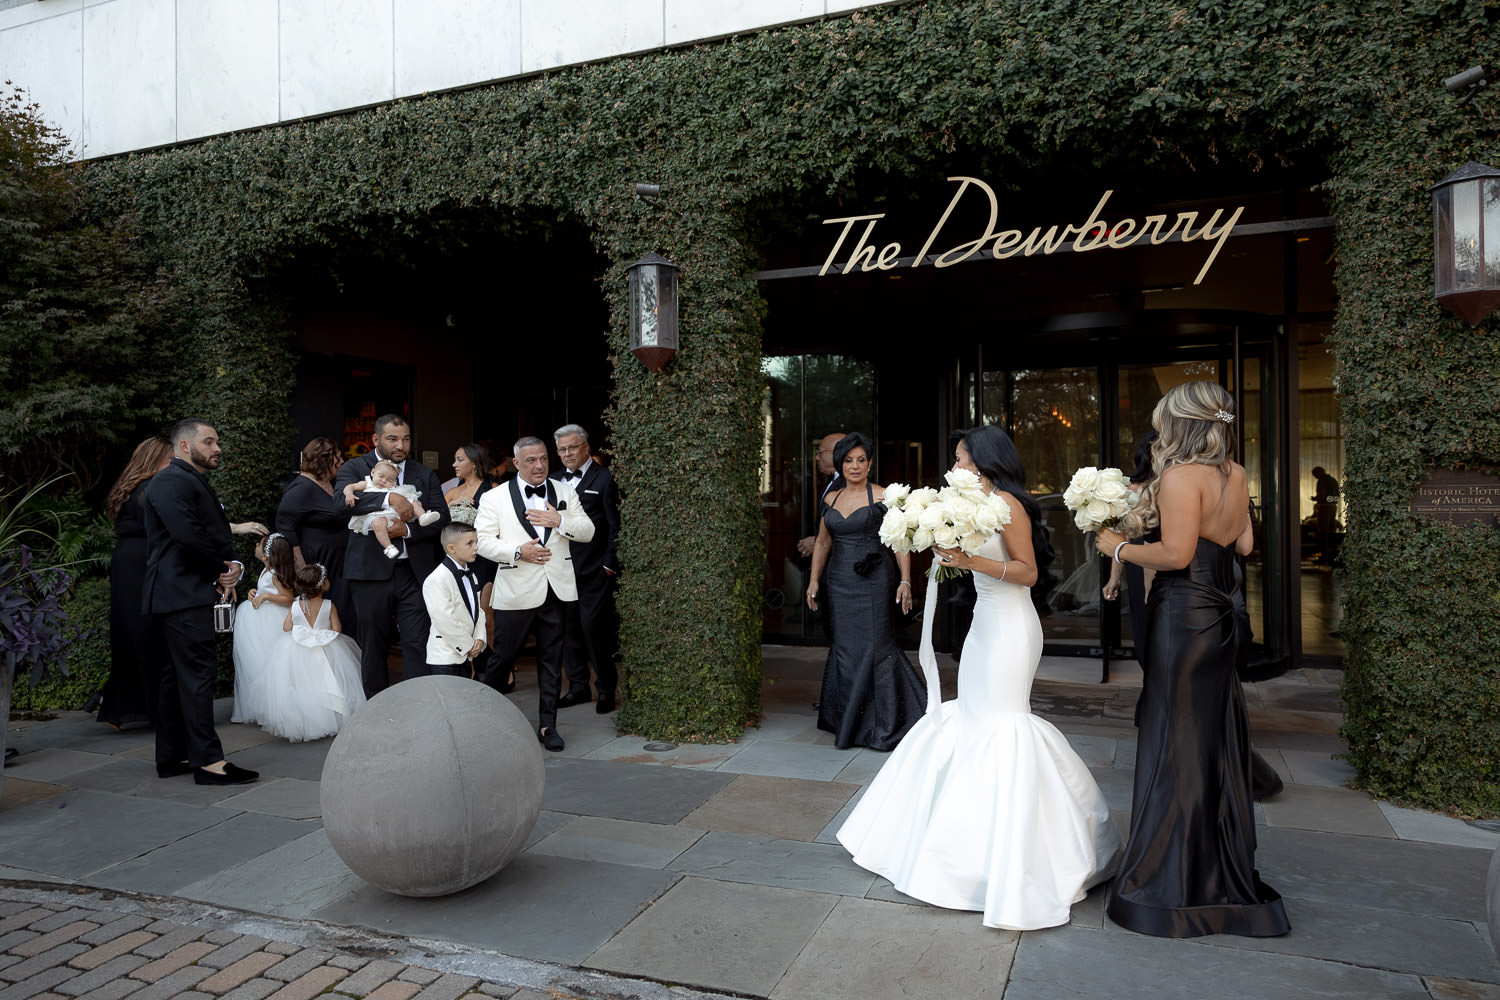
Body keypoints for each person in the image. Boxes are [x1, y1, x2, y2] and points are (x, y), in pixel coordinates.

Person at [838, 426, 1122, 930]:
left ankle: (1017, 860)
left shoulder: (1008, 503)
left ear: (985, 460)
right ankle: (952, 846)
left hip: (1012, 628)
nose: (956, 468)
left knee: (1002, 723)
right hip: (983, 626)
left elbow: (1029, 572)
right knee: (970, 719)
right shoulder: (974, 503)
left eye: (962, 459)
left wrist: (968, 559)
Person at [1095, 381, 1290, 938]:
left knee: (1172, 742)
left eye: (1162, 422)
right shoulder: (1236, 473)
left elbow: (1177, 554)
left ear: (1179, 425)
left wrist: (1119, 548)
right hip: (1226, 615)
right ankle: (1213, 867)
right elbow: (1246, 546)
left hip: (1185, 618)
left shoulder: (1181, 478)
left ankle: (1171, 876)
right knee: (1209, 742)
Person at [141, 418, 259, 786]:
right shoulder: (171, 481)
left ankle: (172, 756)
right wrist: (220, 571)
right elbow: (188, 536)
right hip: (182, 592)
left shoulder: (185, 481)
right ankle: (208, 763)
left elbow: (207, 533)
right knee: (196, 677)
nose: (217, 448)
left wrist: (231, 566)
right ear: (184, 447)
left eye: (217, 441)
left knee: (177, 678)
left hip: (181, 591)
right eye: (209, 442)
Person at [473, 436, 595, 752]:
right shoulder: (495, 497)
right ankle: (487, 720)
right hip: (515, 591)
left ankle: (547, 726)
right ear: (516, 463)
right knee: (503, 658)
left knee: (553, 661)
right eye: (531, 460)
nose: (539, 465)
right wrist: (517, 551)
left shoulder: (566, 492)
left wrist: (560, 520)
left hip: (557, 589)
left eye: (543, 458)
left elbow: (588, 531)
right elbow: (483, 542)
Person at [805, 432, 925, 751]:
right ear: (840, 465)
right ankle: (849, 721)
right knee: (845, 648)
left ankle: (885, 724)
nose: (854, 466)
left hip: (874, 580)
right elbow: (822, 542)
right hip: (839, 581)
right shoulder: (830, 498)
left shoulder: (885, 495)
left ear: (869, 463)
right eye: (848, 461)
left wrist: (906, 580)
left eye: (861, 460)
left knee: (877, 646)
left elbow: (900, 540)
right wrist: (814, 580)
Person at [333, 415, 450, 697]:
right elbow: (340, 504)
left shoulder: (423, 473)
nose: (401, 445)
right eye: (393, 439)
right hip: (369, 573)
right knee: (373, 643)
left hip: (415, 572)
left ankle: (417, 703)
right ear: (376, 439)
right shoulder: (354, 467)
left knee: (417, 640)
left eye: (406, 439)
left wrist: (406, 531)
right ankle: (375, 706)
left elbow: (441, 518)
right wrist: (389, 499)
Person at [98, 436, 173, 729]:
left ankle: (116, 706)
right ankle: (157, 710)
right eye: (170, 460)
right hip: (142, 562)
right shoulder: (150, 490)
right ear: (156, 460)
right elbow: (167, 525)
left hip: (125, 561)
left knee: (128, 632)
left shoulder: (127, 487)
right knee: (148, 633)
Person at [550, 424, 621, 714]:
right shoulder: (553, 480)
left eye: (572, 447)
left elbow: (615, 526)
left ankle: (606, 688)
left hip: (593, 571)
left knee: (594, 631)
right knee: (568, 632)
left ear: (586, 447)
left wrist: (608, 565)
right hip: (560, 571)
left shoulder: (605, 478)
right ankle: (577, 688)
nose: (567, 453)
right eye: (562, 449)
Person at [260, 562, 367, 742]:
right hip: (326, 648)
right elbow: (337, 629)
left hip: (298, 650)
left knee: (303, 684)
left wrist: (302, 628)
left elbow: (286, 627)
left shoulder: (295, 605)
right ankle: (331, 716)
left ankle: (307, 720)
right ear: (323, 585)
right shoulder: (329, 605)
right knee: (327, 682)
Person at [275, 437, 356, 637]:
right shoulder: (301, 488)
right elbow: (285, 528)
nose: (342, 462)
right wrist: (301, 566)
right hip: (320, 561)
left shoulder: (331, 484)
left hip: (340, 562)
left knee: (344, 612)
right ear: (324, 460)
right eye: (337, 458)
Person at [231, 532, 297, 727]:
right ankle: (260, 706)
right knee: (256, 663)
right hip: (259, 621)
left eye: (259, 545)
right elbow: (266, 590)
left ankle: (275, 706)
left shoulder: (276, 575)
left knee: (269, 662)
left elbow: (288, 598)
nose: (256, 548)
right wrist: (256, 592)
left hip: (272, 621)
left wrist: (267, 597)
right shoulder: (266, 571)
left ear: (267, 555)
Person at [444, 443, 498, 677]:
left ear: (474, 463)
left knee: (484, 616)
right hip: (459, 562)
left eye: (459, 460)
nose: (454, 465)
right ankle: (473, 669)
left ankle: (497, 669)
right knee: (464, 616)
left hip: (484, 560)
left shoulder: (493, 489)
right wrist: (448, 509)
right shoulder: (452, 492)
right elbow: (433, 521)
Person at [422, 523, 488, 675]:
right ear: (451, 548)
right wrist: (468, 646)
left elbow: (478, 611)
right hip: (445, 658)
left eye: (476, 541)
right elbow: (445, 620)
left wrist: (480, 638)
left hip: (467, 655)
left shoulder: (471, 575)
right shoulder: (437, 579)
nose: (476, 547)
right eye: (470, 543)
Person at [343, 459, 441, 559]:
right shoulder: (368, 483)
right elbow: (350, 486)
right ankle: (388, 547)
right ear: (373, 472)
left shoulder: (393, 487)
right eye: (381, 476)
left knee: (411, 499)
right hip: (377, 515)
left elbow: (406, 498)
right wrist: (349, 494)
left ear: (394, 481)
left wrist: (406, 498)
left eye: (389, 480)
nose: (384, 481)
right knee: (378, 524)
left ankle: (423, 516)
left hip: (395, 514)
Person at [1311, 465, 1340, 564]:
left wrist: (1316, 499)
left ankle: (1324, 557)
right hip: (1333, 507)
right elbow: (1337, 496)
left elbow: (1321, 494)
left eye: (1315, 475)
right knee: (1332, 532)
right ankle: (1332, 556)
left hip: (1324, 507)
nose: (1315, 477)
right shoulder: (1333, 480)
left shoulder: (1322, 481)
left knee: (1324, 532)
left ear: (1319, 473)